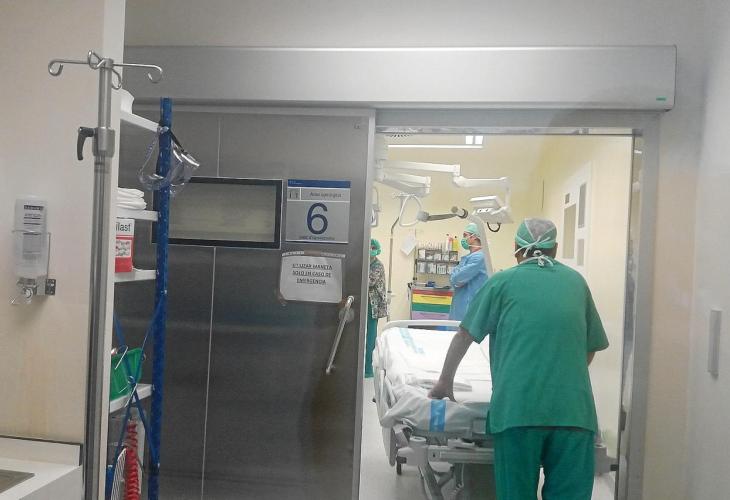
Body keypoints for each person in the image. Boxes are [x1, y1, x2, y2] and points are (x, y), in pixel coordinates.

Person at [429, 218, 609, 500]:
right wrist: (558, 378)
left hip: (518, 411)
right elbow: (590, 348)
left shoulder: (502, 282)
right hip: (574, 414)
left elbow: (464, 335)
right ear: (555, 248)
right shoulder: (576, 283)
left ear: (516, 248)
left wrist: (444, 382)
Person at [449, 222, 488, 321]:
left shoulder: (479, 257)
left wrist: (455, 276)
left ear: (474, 237)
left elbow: (456, 279)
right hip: (460, 307)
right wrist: (455, 278)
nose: (463, 239)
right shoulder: (469, 257)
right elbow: (455, 280)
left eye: (465, 235)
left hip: (468, 308)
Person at [365, 238, 387, 378]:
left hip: (373, 305)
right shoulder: (365, 262)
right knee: (360, 335)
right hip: (364, 301)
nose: (371, 249)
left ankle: (368, 369)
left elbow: (369, 281)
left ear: (377, 249)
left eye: (373, 247)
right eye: (369, 246)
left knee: (371, 336)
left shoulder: (378, 265)